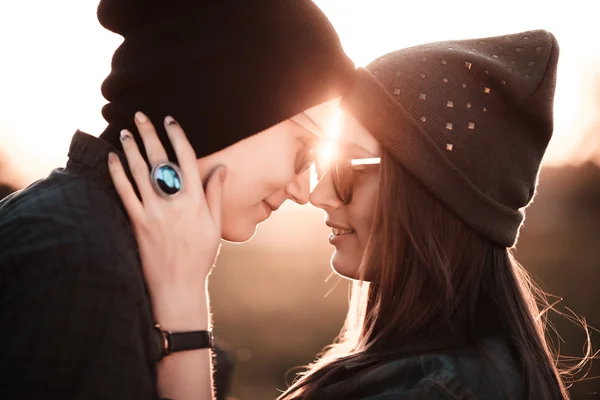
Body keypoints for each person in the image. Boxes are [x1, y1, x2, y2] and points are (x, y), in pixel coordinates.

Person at [112, 30, 584, 399]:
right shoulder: (439, 369)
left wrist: (183, 306)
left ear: (431, 194)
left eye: (345, 169)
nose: (318, 194)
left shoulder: (438, 392)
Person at [0, 1, 354, 399]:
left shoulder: (100, 238)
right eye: (305, 150)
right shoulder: (78, 258)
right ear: (225, 104)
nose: (303, 191)